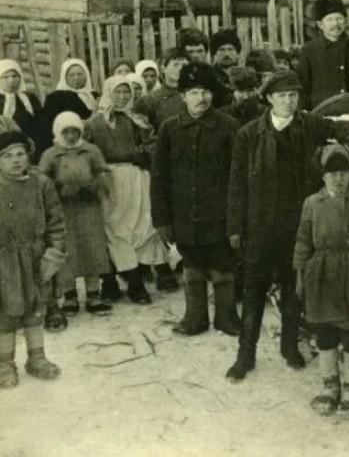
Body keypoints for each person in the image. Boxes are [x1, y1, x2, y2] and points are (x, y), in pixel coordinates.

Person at [225, 69, 349, 381]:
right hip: (259, 227)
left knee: (293, 290)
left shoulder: (309, 125)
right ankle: (244, 355)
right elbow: (236, 184)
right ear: (268, 99)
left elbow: (345, 130)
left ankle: (290, 347)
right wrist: (235, 228)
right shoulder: (248, 135)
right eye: (282, 96)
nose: (289, 102)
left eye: (294, 96)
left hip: (297, 226)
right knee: (253, 292)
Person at [151, 63, 241, 338]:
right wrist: (162, 219)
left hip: (219, 214)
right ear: (183, 97)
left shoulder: (228, 127)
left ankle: (227, 317)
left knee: (223, 265)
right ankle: (195, 317)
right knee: (191, 266)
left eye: (205, 92)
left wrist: (236, 218)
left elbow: (238, 178)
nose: (201, 98)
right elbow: (159, 177)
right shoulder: (170, 129)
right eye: (193, 92)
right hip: (184, 214)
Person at [294, 142, 349, 419]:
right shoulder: (312, 204)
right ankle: (330, 386)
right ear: (323, 177)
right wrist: (299, 274)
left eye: (343, 173)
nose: (339, 179)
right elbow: (303, 241)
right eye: (332, 174)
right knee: (325, 331)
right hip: (319, 274)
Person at [85, 74, 169, 302]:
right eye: (117, 92)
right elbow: (87, 153)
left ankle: (140, 273)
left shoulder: (137, 120)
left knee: (143, 226)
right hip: (110, 180)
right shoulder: (94, 123)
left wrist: (138, 154)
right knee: (115, 228)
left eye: (126, 92)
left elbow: (153, 147)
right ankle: (130, 282)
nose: (122, 97)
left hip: (136, 177)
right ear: (108, 92)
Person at [0, 131, 65, 389]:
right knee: (6, 310)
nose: (15, 161)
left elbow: (56, 222)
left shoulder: (41, 183)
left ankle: (36, 357)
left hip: (37, 255)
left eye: (20, 154)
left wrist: (53, 253)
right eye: (7, 156)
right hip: (4, 259)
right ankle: (5, 363)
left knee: (36, 306)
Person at [37, 112, 112, 328]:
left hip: (88, 208)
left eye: (74, 131)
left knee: (92, 247)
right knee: (68, 250)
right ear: (58, 132)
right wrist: (59, 189)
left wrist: (95, 185)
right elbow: (42, 180)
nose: (70, 136)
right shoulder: (51, 154)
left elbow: (103, 172)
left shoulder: (90, 150)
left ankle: (93, 293)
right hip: (64, 210)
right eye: (66, 132)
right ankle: (69, 295)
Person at [296, 0, 349, 109]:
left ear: (346, 21)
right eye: (330, 19)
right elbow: (302, 87)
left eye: (339, 18)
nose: (336, 24)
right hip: (322, 113)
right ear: (320, 25)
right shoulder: (309, 51)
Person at [0, 60, 46, 160]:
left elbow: (41, 123)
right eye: (5, 77)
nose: (11, 80)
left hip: (32, 147)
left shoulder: (29, 98)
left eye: (15, 76)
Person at [136, 49, 189, 131]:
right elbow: (146, 136)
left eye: (184, 65)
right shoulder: (150, 101)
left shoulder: (196, 95)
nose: (180, 69)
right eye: (175, 65)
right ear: (163, 68)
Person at [42, 58, 98, 135]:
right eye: (71, 75)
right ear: (64, 77)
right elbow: (49, 124)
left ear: (86, 75)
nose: (76, 78)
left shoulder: (94, 95)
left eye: (80, 74)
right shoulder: (55, 98)